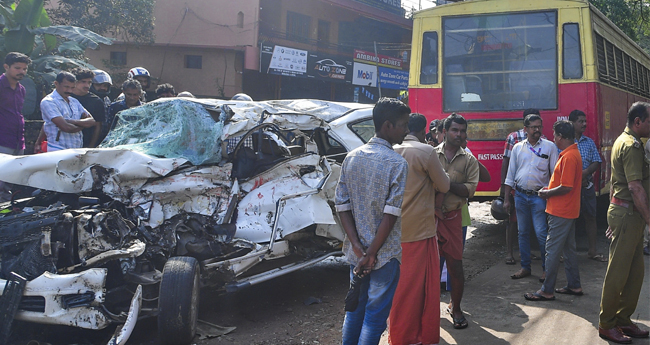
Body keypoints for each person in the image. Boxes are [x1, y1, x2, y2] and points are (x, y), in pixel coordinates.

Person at [335, 97, 410, 345]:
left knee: (354, 310)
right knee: (374, 318)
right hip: (384, 255)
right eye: (403, 125)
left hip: (357, 255)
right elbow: (391, 214)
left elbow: (342, 206)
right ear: (388, 125)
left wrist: (359, 249)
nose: (406, 130)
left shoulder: (352, 157)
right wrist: (372, 253)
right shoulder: (397, 163)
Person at [389, 113, 450, 345]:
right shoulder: (426, 152)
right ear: (425, 129)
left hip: (392, 230)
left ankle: (399, 334)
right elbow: (444, 184)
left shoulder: (392, 150)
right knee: (418, 291)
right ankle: (413, 337)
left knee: (399, 290)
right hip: (420, 231)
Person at [598, 102, 650, 344]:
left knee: (634, 274)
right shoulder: (631, 145)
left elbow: (613, 181)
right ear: (637, 122)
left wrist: (614, 210)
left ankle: (623, 319)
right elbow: (634, 186)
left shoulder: (628, 141)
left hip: (628, 215)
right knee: (618, 274)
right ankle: (607, 324)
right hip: (628, 215)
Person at [524, 120, 583, 302]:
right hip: (567, 210)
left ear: (561, 137)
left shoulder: (569, 156)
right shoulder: (570, 154)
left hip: (561, 211)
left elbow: (566, 186)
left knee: (552, 250)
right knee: (569, 249)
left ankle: (547, 290)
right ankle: (574, 285)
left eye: (555, 135)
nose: (553, 138)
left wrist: (546, 193)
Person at [434, 113, 479, 329]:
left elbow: (470, 191)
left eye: (462, 131)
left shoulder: (469, 160)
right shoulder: (430, 155)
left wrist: (444, 182)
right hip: (430, 218)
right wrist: (451, 185)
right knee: (429, 267)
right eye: (455, 130)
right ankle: (429, 308)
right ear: (444, 132)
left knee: (455, 267)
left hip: (453, 218)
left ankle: (457, 308)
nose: (459, 134)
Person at [503, 113, 558, 282]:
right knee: (523, 233)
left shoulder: (550, 147)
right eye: (533, 127)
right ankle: (525, 267)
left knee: (541, 233)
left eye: (539, 127)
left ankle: (545, 269)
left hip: (539, 197)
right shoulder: (518, 148)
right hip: (520, 195)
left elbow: (555, 174)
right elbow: (510, 174)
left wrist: (551, 195)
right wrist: (506, 198)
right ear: (525, 129)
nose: (537, 130)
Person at [501, 108, 544, 265]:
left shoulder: (545, 142)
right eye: (532, 125)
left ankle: (535, 257)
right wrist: (504, 191)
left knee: (536, 228)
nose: (536, 129)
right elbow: (507, 164)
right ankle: (511, 254)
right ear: (526, 125)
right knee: (513, 223)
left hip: (537, 192)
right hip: (517, 190)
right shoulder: (514, 139)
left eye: (538, 124)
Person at [569, 109, 606, 262]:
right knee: (569, 220)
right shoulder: (566, 142)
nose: (584, 124)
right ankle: (567, 252)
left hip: (587, 187)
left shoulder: (589, 142)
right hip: (570, 188)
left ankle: (592, 250)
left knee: (590, 217)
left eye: (585, 121)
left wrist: (584, 174)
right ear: (572, 123)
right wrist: (577, 178)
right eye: (580, 121)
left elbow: (596, 162)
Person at [37, 72, 96, 152]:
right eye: (66, 87)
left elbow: (92, 121)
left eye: (72, 88)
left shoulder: (74, 101)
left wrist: (71, 121)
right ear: (56, 84)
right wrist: (83, 125)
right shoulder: (49, 101)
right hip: (57, 149)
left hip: (76, 149)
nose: (69, 91)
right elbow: (66, 127)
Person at [0, 52, 31, 202]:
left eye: (24, 69)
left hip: (18, 140)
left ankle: (5, 214)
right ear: (6, 67)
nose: (21, 72)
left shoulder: (22, 89)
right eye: (17, 68)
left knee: (10, 179)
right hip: (2, 139)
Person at [70, 68, 106, 147]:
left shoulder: (96, 101)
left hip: (86, 143)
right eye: (83, 82)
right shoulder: (65, 97)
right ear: (75, 82)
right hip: (65, 142)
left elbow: (98, 126)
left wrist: (91, 147)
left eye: (89, 82)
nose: (87, 85)